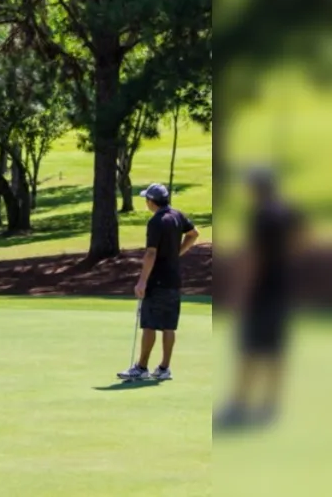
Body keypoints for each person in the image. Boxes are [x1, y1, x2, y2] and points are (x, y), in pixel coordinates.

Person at [214, 168, 306, 430]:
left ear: (256, 188)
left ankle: (240, 405)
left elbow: (253, 258)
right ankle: (270, 405)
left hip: (261, 291)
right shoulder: (287, 211)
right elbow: (302, 240)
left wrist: (238, 294)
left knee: (249, 349)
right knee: (276, 350)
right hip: (283, 289)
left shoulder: (262, 215)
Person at [118, 183, 200, 381]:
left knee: (149, 325)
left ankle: (142, 368)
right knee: (169, 326)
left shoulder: (156, 221)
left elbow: (151, 253)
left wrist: (142, 281)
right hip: (173, 279)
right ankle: (164, 368)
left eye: (146, 199)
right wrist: (177, 253)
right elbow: (194, 234)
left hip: (157, 280)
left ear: (151, 201)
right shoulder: (177, 215)